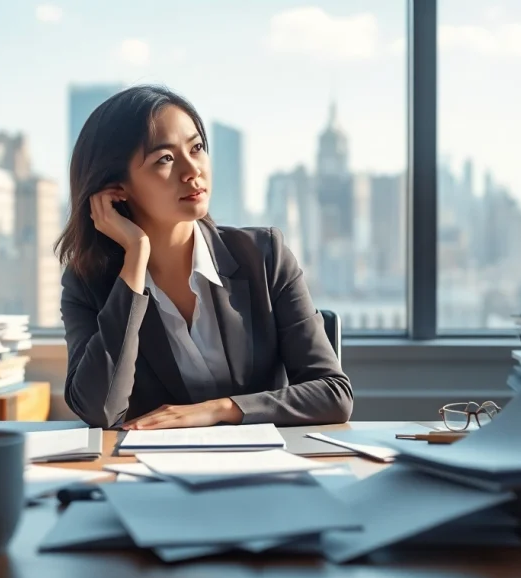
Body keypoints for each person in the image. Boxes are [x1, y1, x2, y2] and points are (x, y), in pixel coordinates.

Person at [55, 85, 353, 430]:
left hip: (261, 469)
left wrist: (218, 409)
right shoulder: (87, 284)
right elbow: (100, 411)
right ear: (116, 189)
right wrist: (135, 257)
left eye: (196, 148)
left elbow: (333, 394)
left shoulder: (265, 257)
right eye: (165, 159)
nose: (192, 170)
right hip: (152, 476)